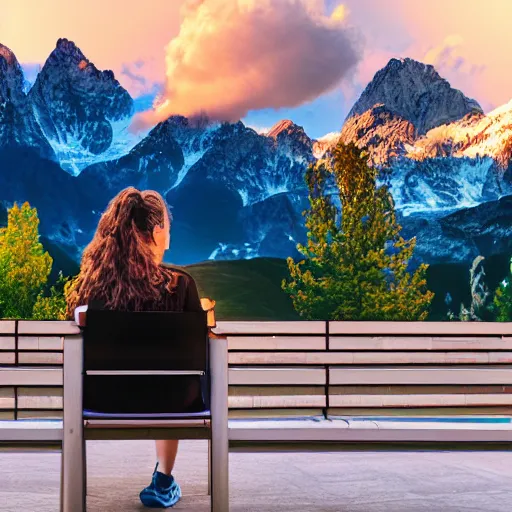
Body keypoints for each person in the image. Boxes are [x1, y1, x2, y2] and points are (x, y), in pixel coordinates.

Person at [65, 186, 202, 509]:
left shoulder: (93, 287)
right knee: (171, 381)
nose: (169, 232)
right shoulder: (180, 285)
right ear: (156, 232)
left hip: (103, 399)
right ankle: (164, 479)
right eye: (167, 225)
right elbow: (200, 350)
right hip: (171, 404)